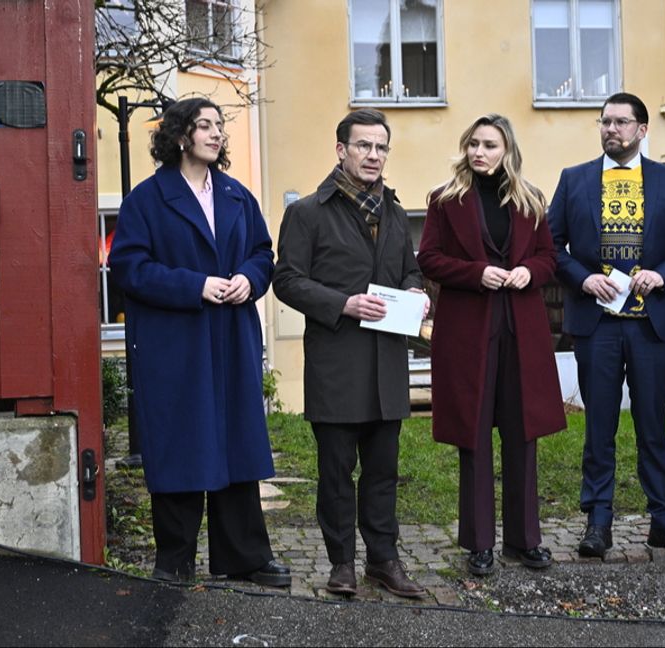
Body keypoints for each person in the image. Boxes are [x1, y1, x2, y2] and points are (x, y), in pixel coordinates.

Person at [109, 97, 290, 587]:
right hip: (177, 343)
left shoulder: (236, 196)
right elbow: (129, 268)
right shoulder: (146, 200)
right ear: (180, 135)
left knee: (236, 443)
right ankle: (174, 561)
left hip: (231, 335)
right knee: (181, 444)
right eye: (204, 125)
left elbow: (261, 252)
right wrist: (196, 285)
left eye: (219, 126)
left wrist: (250, 281)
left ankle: (245, 557)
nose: (216, 134)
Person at [272, 109, 429, 598]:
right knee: (336, 475)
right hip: (337, 363)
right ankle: (342, 563)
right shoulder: (308, 213)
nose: (373, 155)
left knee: (382, 473)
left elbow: (410, 272)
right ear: (341, 150)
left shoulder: (397, 213)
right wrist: (344, 303)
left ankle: (384, 560)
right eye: (363, 146)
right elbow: (287, 280)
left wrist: (417, 291)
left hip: (387, 363)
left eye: (381, 147)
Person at [547, 92, 665, 560]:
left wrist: (664, 275)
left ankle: (664, 520)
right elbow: (552, 248)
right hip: (597, 325)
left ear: (642, 129)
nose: (611, 129)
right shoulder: (574, 180)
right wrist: (584, 278)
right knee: (599, 426)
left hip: (651, 325)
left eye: (621, 122)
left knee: (652, 426)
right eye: (605, 122)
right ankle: (598, 522)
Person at [417, 114, 566, 576]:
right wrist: (476, 273)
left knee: (523, 433)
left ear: (507, 151)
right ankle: (479, 543)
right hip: (468, 331)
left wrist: (529, 272)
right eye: (474, 144)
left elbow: (548, 258)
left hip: (522, 327)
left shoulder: (530, 200)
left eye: (490, 145)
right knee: (474, 434)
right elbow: (429, 259)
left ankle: (524, 541)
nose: (479, 152)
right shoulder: (445, 200)